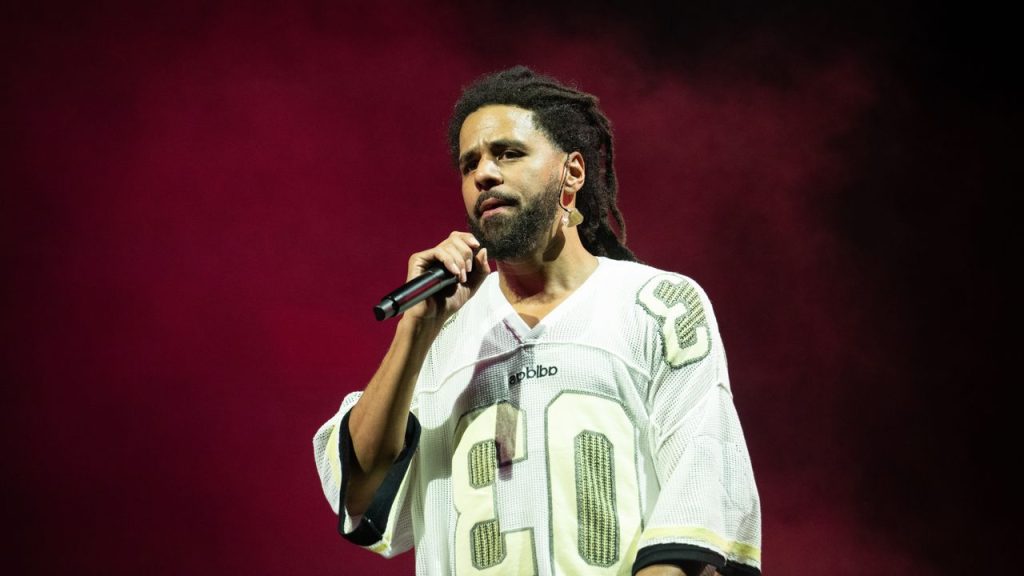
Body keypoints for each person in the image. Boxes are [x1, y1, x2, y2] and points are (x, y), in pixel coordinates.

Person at [313, 66, 761, 576]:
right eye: (469, 163)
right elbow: (358, 492)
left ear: (573, 172)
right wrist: (414, 331)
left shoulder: (659, 305)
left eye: (508, 153)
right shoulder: (441, 332)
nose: (483, 174)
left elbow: (698, 504)